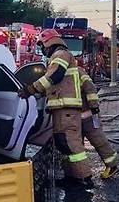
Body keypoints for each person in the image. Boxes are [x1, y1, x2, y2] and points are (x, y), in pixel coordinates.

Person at [20, 29, 93, 189]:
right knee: (63, 143)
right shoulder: (59, 56)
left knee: (71, 144)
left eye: (43, 46)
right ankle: (72, 177)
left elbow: (54, 76)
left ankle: (83, 178)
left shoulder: (60, 55)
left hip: (67, 109)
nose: (43, 50)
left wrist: (31, 89)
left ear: (49, 43)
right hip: (62, 109)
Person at [79, 67, 119, 179]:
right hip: (75, 118)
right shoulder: (59, 72)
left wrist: (94, 107)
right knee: (77, 147)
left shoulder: (77, 72)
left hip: (87, 114)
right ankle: (80, 172)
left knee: (98, 140)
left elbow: (90, 88)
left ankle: (112, 165)